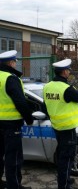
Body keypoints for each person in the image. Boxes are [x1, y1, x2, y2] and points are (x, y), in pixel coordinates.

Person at [43, 59, 78, 189]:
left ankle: (66, 180)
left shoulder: (47, 86)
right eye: (68, 70)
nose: (69, 72)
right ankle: (63, 185)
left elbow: (44, 106)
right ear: (64, 71)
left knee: (63, 157)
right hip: (67, 129)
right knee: (67, 159)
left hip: (57, 127)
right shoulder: (66, 89)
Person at [0, 50, 33, 189]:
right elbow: (20, 102)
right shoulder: (10, 78)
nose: (15, 64)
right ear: (11, 63)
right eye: (14, 62)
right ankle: (14, 186)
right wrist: (29, 118)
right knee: (13, 159)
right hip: (11, 125)